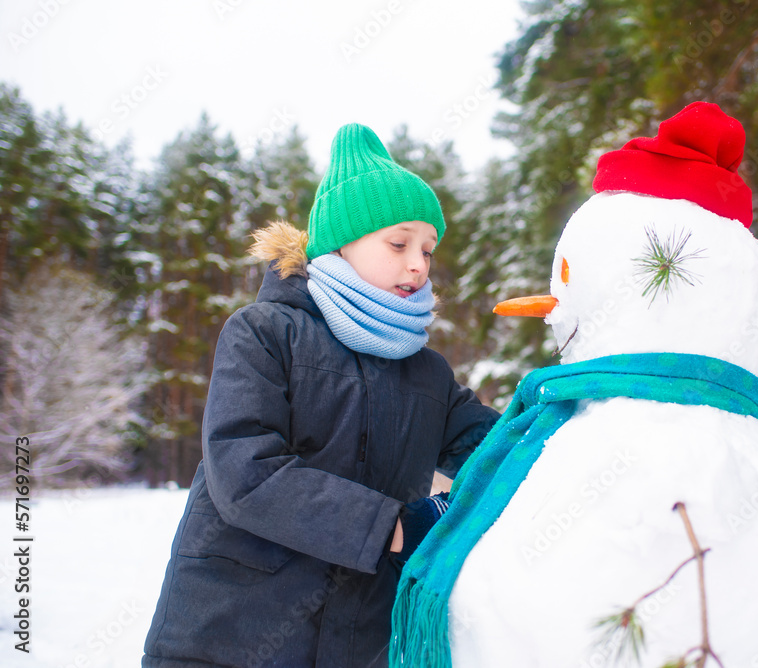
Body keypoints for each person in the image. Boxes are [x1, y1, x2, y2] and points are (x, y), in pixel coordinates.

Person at [142, 123, 500, 668]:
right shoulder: (263, 332)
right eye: (399, 242)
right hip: (227, 638)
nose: (418, 265)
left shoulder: (427, 374)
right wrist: (395, 528)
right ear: (341, 243)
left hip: (360, 645)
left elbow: (500, 448)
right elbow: (245, 474)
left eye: (428, 249)